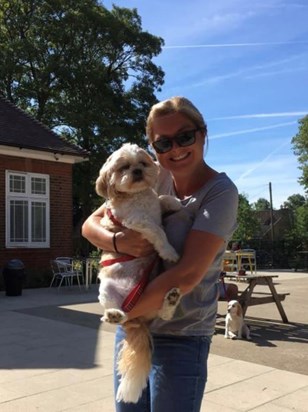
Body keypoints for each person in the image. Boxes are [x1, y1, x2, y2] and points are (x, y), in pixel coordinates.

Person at [82, 96, 238, 412]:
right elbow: (90, 224)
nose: (175, 149)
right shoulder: (154, 175)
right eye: (163, 143)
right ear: (153, 148)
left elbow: (187, 274)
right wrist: (118, 243)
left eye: (184, 136)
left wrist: (128, 311)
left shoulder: (220, 192)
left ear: (202, 133)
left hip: (182, 335)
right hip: (134, 326)